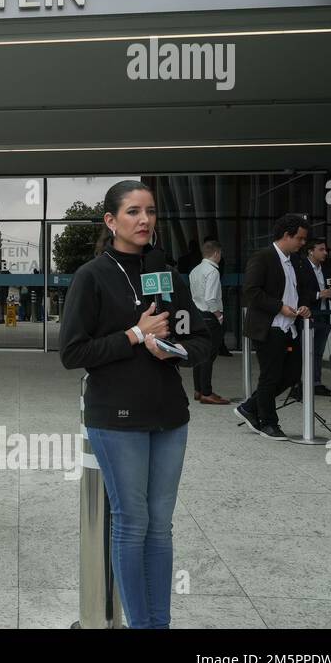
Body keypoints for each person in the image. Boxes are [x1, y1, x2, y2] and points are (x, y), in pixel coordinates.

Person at [60, 180, 213, 629]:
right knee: (132, 522)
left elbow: (202, 339)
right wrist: (134, 335)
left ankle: (157, 624)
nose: (144, 220)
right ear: (111, 221)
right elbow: (73, 353)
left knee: (160, 526)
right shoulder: (92, 276)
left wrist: (177, 350)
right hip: (117, 417)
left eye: (149, 211)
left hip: (170, 415)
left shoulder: (170, 277)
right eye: (132, 212)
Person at [236, 214, 314, 439]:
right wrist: (280, 307)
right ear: (287, 235)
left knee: (290, 375)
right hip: (269, 326)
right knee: (270, 376)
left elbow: (304, 291)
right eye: (299, 238)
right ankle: (268, 423)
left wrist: (304, 306)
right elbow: (251, 291)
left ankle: (250, 407)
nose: (302, 243)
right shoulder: (263, 257)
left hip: (290, 326)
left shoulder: (296, 261)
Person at [188, 239, 229, 404]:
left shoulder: (195, 270)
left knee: (199, 353)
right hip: (209, 316)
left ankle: (198, 390)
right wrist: (219, 316)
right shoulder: (212, 272)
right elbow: (211, 298)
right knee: (209, 355)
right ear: (216, 253)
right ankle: (206, 392)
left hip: (197, 314)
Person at [300, 237, 331, 397]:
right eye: (321, 249)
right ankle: (301, 383)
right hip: (309, 315)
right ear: (311, 250)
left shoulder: (326, 269)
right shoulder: (301, 267)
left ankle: (316, 383)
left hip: (324, 314)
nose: (325, 252)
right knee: (306, 351)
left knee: (319, 352)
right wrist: (318, 294)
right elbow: (298, 291)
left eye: (325, 249)